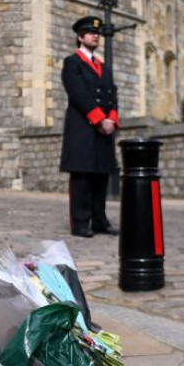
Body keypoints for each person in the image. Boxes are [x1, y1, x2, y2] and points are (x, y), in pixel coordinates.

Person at [59, 16, 120, 238]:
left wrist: (112, 119)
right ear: (80, 37)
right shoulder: (72, 62)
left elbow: (112, 94)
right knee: (83, 178)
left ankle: (100, 220)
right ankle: (81, 222)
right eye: (90, 32)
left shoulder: (104, 67)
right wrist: (99, 119)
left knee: (101, 176)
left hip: (104, 128)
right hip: (83, 128)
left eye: (98, 33)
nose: (96, 35)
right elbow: (78, 94)